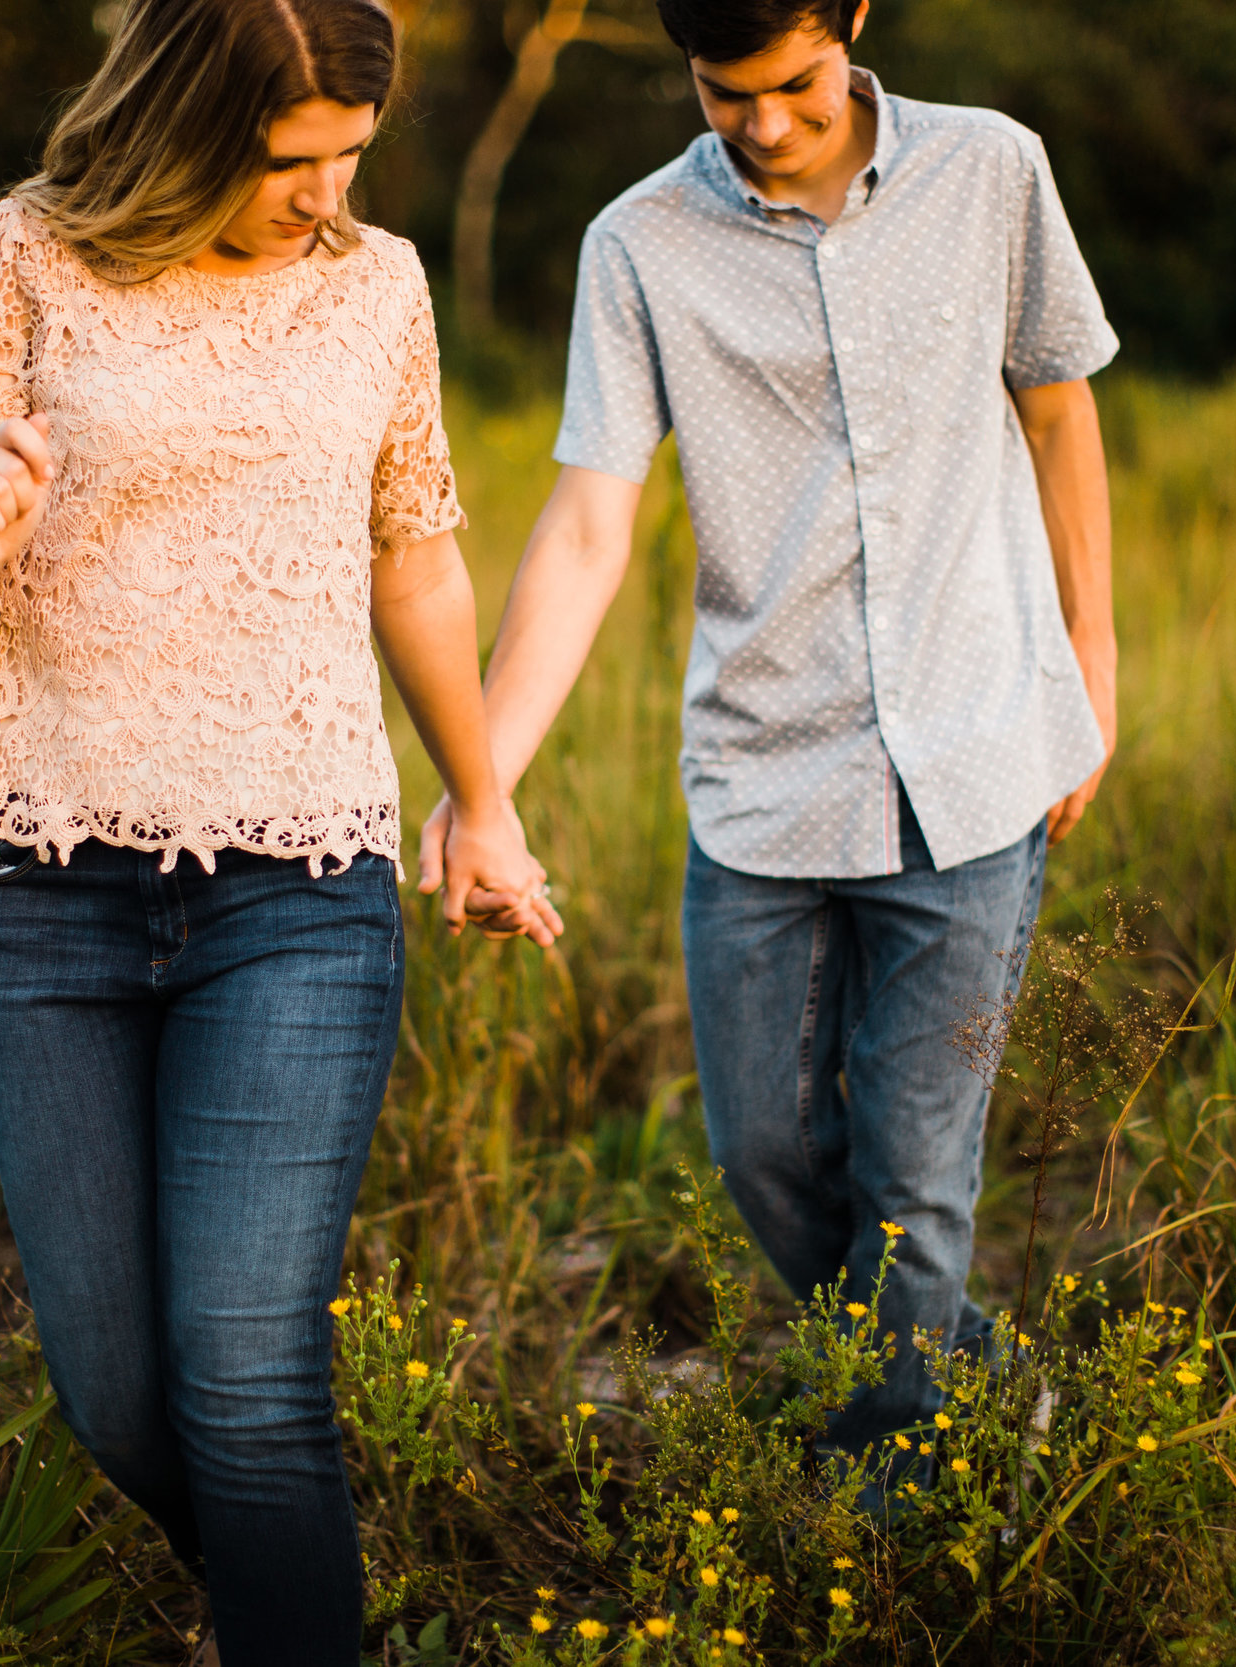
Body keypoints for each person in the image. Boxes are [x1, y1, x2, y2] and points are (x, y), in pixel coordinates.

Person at [0, 0, 560, 1656]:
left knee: (248, 1389)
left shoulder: (375, 288)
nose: (322, 191)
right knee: (120, 1402)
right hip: (47, 892)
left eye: (349, 156)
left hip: (299, 886)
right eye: (284, 158)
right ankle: (291, 1603)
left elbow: (416, 551)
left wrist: (486, 804)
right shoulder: (21, 257)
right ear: (183, 119)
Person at [422, 0, 1119, 1481]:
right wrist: (483, 779)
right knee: (765, 1159)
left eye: (797, 83)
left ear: (855, 23)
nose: (767, 124)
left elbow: (1059, 412)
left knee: (915, 1183)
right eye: (726, 93)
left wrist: (1091, 661)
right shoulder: (639, 247)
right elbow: (590, 520)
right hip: (764, 779)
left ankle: (896, 1508)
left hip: (982, 749)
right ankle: (980, 1379)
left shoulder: (991, 169)